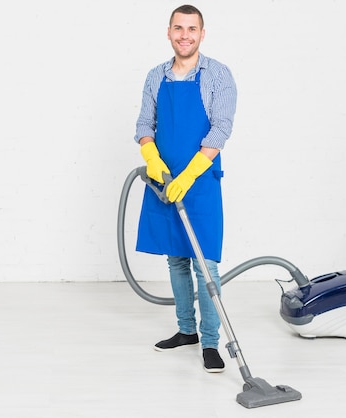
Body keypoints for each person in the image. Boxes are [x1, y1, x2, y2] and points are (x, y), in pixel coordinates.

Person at [134, 4, 237, 372]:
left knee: (205, 264)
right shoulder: (155, 76)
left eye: (192, 29)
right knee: (176, 259)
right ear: (169, 32)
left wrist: (191, 173)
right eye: (178, 28)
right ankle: (186, 331)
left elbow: (220, 130)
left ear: (202, 34)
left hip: (200, 179)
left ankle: (211, 342)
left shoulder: (218, 76)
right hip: (163, 179)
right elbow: (145, 123)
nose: (185, 35)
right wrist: (151, 155)